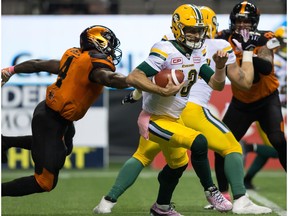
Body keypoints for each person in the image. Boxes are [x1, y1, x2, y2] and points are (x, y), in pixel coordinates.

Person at [94, 5, 271, 215]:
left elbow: (217, 85)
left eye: (199, 30)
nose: (197, 35)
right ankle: (217, 192)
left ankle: (136, 205)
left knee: (173, 163)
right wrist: (159, 89)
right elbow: (135, 77)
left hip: (174, 117)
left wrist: (220, 66)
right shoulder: (165, 48)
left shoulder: (199, 52)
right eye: (191, 30)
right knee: (210, 143)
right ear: (178, 29)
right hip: (157, 118)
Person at [1, 25, 131, 196]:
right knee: (44, 182)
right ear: (97, 41)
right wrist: (131, 80)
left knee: (63, 148)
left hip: (52, 114)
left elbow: (39, 64)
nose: (111, 49)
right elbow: (109, 78)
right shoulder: (93, 65)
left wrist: (11, 70)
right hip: (50, 121)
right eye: (109, 43)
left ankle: (6, 142)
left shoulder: (75, 56)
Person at [213, 0, 287, 200]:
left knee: (279, 141)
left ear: (255, 22)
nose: (242, 25)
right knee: (222, 146)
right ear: (232, 21)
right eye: (239, 21)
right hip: (241, 103)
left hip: (266, 100)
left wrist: (248, 50)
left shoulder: (266, 38)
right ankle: (222, 194)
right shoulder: (222, 38)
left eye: (247, 21)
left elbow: (266, 67)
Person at [239, 25, 287, 190]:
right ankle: (248, 147)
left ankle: (247, 180)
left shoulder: (276, 58)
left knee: (276, 145)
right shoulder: (271, 58)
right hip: (269, 105)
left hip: (280, 106)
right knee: (278, 147)